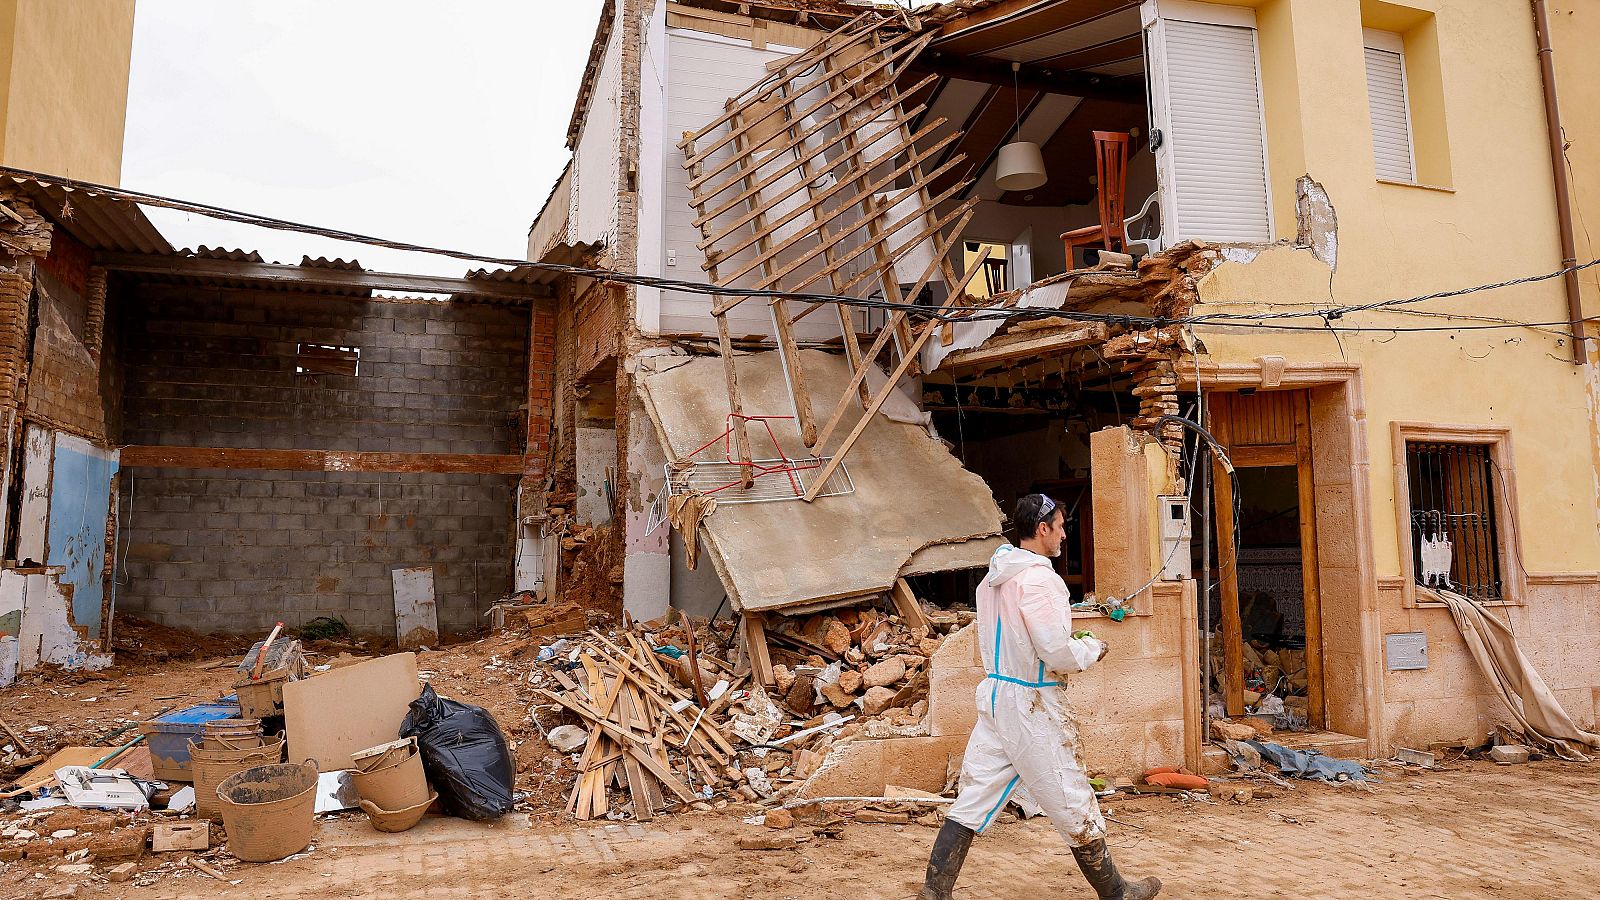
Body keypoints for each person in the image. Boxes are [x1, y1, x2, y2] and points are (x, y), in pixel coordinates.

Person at [919, 493, 1161, 900]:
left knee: (975, 794)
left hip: (997, 693)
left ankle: (933, 891)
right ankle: (1117, 892)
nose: (1065, 533)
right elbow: (1054, 651)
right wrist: (1090, 649)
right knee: (1071, 794)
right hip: (1033, 702)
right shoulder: (1041, 579)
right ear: (1042, 528)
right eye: (1061, 526)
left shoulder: (992, 579)